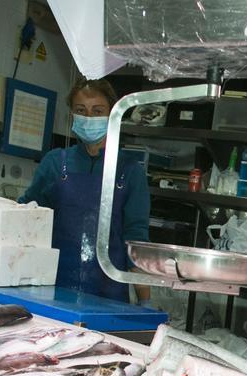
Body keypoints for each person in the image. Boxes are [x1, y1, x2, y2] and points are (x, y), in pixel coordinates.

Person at [20, 78, 150, 303]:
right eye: (81, 110)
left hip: (109, 295)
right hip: (52, 288)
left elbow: (136, 243)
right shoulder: (54, 163)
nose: (89, 118)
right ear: (72, 114)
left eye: (97, 111)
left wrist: (146, 303)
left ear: (112, 114)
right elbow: (26, 219)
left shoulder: (129, 171)